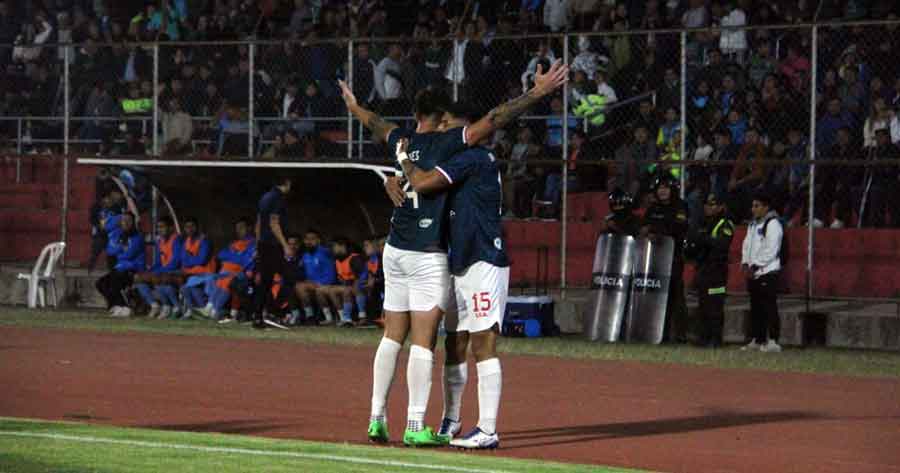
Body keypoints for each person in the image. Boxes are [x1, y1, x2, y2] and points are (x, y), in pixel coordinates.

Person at [338, 59, 568, 447]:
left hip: (395, 248)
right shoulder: (450, 143)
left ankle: (378, 417)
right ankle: (415, 426)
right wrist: (537, 93)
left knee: (394, 336)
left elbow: (376, 123)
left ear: (415, 115)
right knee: (426, 341)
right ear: (444, 118)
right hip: (430, 253)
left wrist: (354, 107)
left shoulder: (400, 140)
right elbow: (495, 118)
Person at [392, 104, 510, 449]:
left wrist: (403, 161)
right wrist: (392, 180)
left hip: (483, 259)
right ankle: (451, 419)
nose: (444, 131)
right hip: (459, 261)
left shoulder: (472, 158)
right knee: (455, 342)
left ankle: (487, 429)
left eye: (449, 126)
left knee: (482, 342)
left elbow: (423, 182)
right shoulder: (461, 161)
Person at [642, 173, 689, 343]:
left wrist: (657, 230)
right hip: (654, 258)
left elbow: (678, 226)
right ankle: (658, 333)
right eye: (659, 188)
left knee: (676, 296)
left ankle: (680, 335)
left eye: (665, 187)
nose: (662, 191)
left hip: (674, 257)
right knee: (656, 295)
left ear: (672, 189)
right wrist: (647, 231)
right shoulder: (653, 208)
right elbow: (644, 227)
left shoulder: (680, 206)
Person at [686, 193, 735, 348]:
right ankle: (703, 338)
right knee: (703, 305)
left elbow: (721, 245)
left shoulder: (725, 224)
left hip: (717, 271)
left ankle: (715, 339)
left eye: (713, 204)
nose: (709, 207)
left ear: (721, 207)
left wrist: (701, 239)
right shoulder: (703, 223)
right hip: (703, 269)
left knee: (715, 305)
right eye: (707, 204)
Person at [741, 192, 783, 353]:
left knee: (769, 307)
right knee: (756, 307)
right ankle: (757, 339)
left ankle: (772, 340)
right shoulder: (753, 224)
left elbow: (771, 248)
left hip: (767, 272)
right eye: (752, 206)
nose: (753, 209)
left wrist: (756, 265)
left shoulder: (773, 224)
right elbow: (747, 244)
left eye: (757, 206)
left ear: (766, 207)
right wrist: (745, 262)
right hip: (753, 272)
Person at [254, 177, 292, 329]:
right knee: (288, 277)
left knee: (265, 281)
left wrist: (258, 245)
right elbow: (273, 222)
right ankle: (275, 313)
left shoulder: (265, 197)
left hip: (263, 243)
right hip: (273, 244)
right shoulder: (278, 198)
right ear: (287, 183)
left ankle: (259, 317)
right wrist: (285, 245)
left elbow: (258, 222)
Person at [95, 212, 144, 317]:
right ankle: (115, 306)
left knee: (114, 281)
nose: (125, 223)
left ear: (133, 222)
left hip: (133, 269)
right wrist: (121, 249)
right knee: (100, 283)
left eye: (128, 220)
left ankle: (126, 307)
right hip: (119, 268)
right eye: (123, 220)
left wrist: (118, 252)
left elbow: (129, 254)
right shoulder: (119, 234)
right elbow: (109, 250)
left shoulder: (137, 237)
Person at [134, 216, 183, 320]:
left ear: (170, 228)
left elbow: (175, 262)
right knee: (139, 279)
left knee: (158, 279)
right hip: (163, 272)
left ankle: (171, 306)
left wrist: (157, 272)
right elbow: (158, 262)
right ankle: (154, 306)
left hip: (176, 271)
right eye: (158, 227)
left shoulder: (177, 239)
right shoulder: (159, 241)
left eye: (162, 227)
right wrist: (149, 271)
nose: (159, 230)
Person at [318, 238, 368, 328]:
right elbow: (340, 278)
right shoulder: (337, 260)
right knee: (330, 290)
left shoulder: (354, 258)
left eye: (334, 247)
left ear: (342, 246)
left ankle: (361, 317)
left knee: (347, 290)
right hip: (347, 285)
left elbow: (363, 275)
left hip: (360, 286)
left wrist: (355, 283)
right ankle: (343, 319)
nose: (333, 249)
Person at [296, 229, 338, 325]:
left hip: (327, 283)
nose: (309, 242)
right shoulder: (305, 255)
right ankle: (309, 316)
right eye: (307, 239)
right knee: (298, 286)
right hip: (312, 284)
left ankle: (329, 318)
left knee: (302, 287)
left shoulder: (325, 252)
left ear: (318, 240)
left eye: (312, 239)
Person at [178, 217, 216, 320]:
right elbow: (183, 260)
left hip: (207, 273)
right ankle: (192, 310)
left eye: (192, 226)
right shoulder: (186, 241)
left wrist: (189, 260)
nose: (189, 229)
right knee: (185, 288)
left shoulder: (204, 241)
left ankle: (203, 311)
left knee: (192, 287)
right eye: (187, 227)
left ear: (197, 227)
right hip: (194, 273)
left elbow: (202, 260)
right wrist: (192, 260)